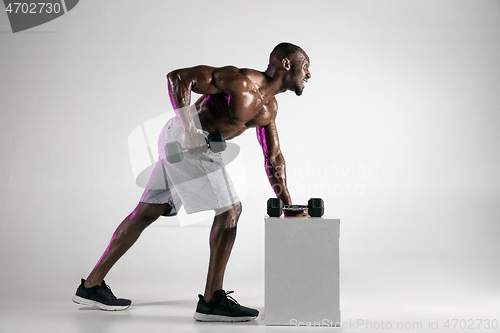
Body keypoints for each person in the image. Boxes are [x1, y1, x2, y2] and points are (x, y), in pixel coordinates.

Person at [72, 42, 312, 322]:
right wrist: (189, 130)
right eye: (306, 68)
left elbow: (274, 157)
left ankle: (91, 286)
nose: (309, 75)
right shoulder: (239, 80)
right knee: (230, 210)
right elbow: (178, 77)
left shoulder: (269, 109)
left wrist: (288, 204)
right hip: (186, 139)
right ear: (286, 64)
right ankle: (212, 301)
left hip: (189, 143)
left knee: (147, 212)